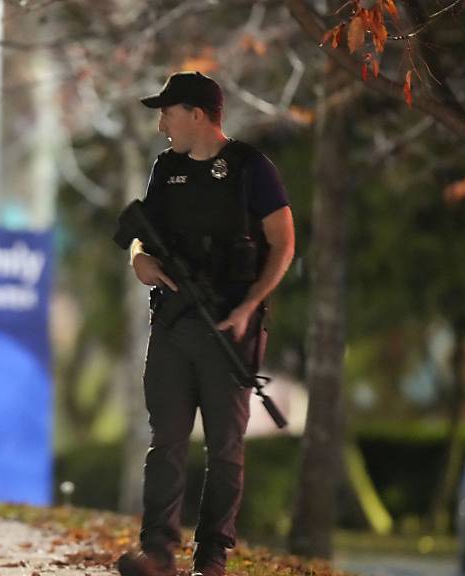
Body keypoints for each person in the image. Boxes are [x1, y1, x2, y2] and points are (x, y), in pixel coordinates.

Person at [116, 72, 295, 576]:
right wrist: (138, 261)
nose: (161, 125)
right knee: (166, 439)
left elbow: (283, 244)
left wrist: (248, 307)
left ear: (197, 114)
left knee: (225, 446)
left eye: (167, 113)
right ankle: (157, 553)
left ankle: (212, 558)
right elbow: (139, 233)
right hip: (173, 324)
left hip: (230, 328)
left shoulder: (250, 168)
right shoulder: (164, 169)